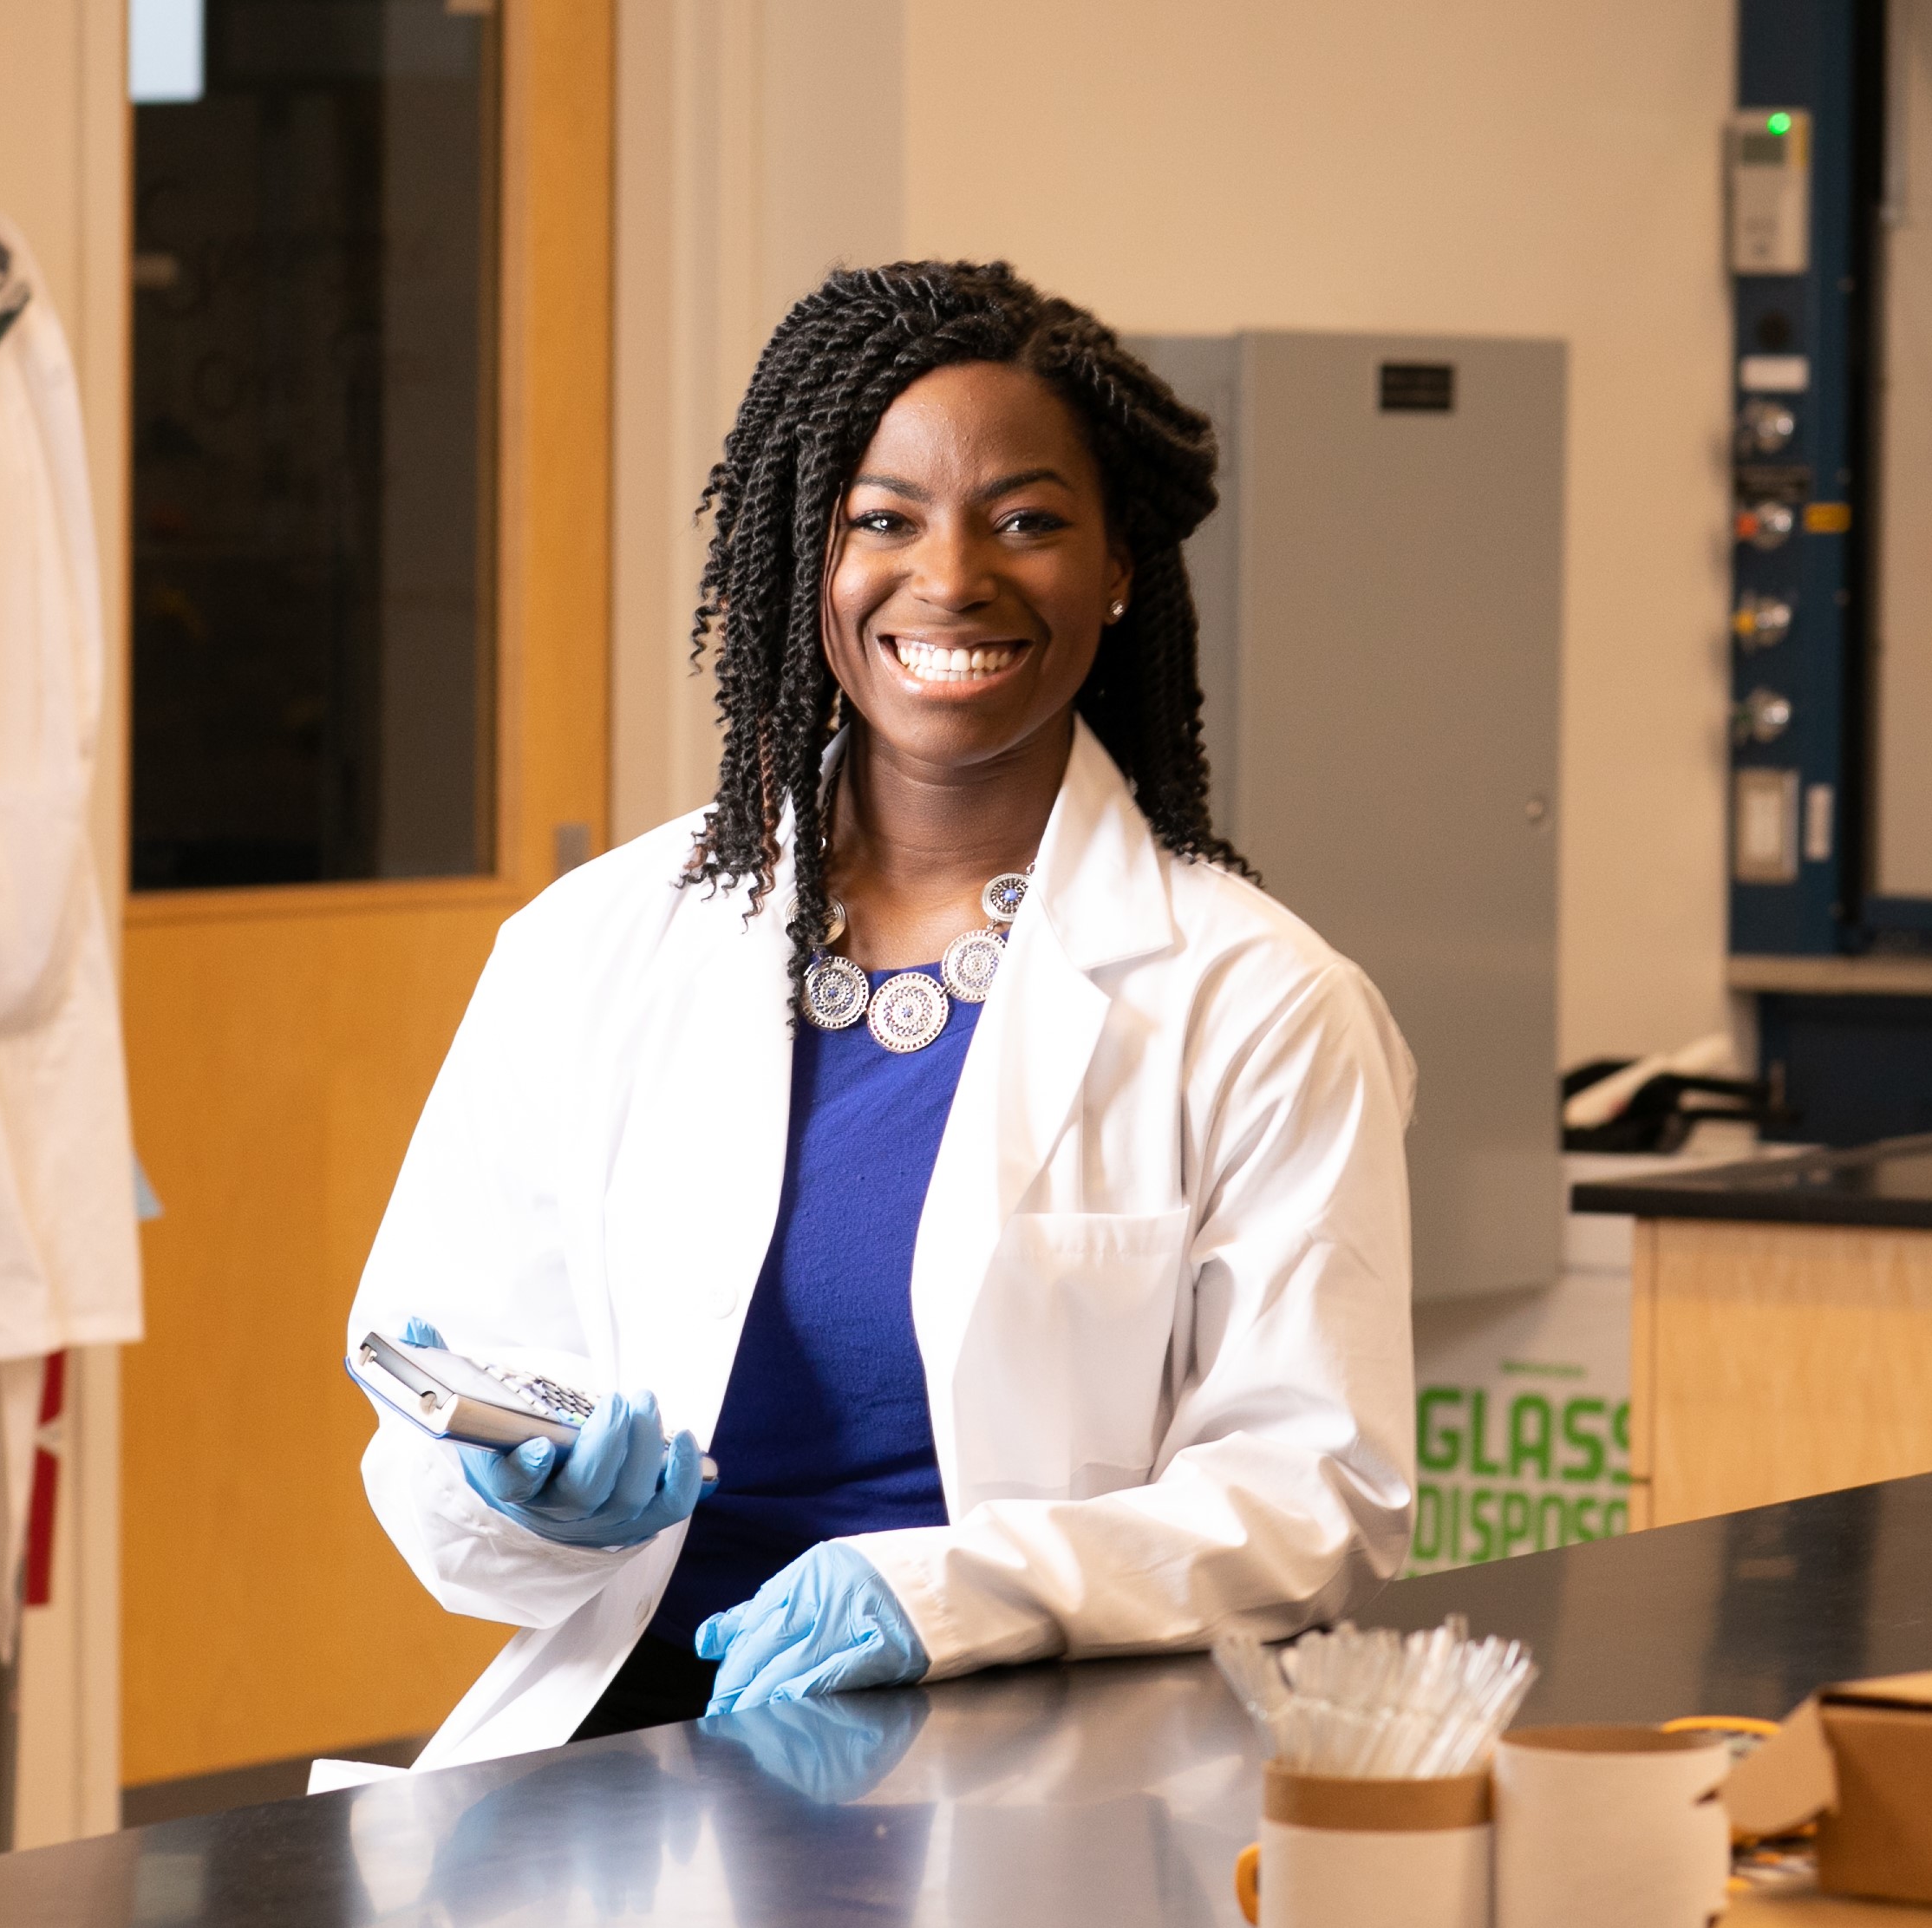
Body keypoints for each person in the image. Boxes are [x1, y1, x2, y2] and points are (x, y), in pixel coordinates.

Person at [347, 261, 1414, 1768]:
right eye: (882, 518)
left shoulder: (1260, 1001)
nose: (953, 576)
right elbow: (428, 1393)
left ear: (1120, 568)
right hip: (646, 1743)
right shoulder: (591, 949)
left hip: (1043, 1758)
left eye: (1028, 520)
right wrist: (516, 1494)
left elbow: (1320, 1499)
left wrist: (955, 1591)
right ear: (807, 555)